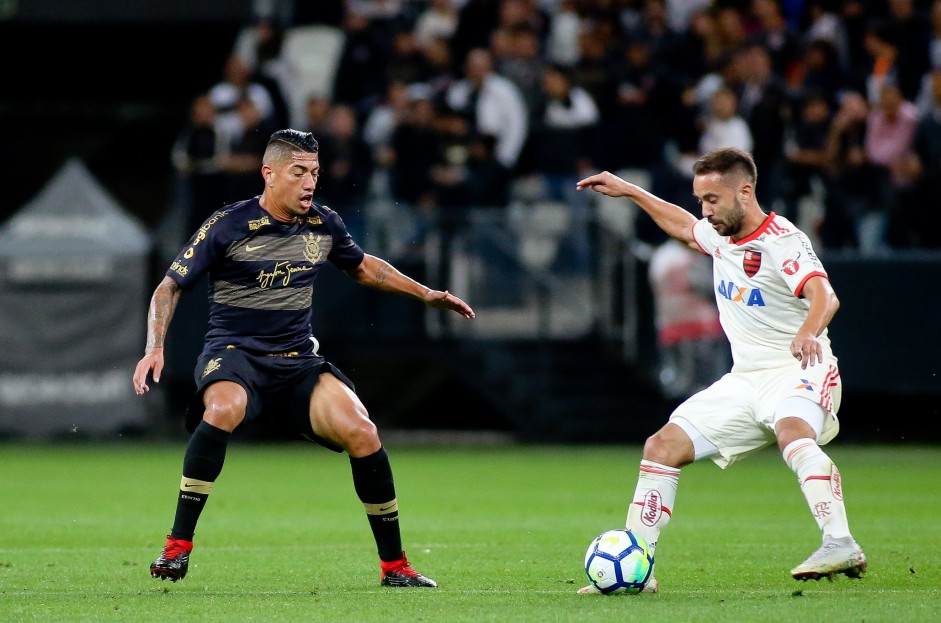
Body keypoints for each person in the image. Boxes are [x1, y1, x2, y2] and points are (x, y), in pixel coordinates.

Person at [133, 129, 475, 588]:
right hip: (236, 356)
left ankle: (395, 568)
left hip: (297, 362)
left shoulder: (323, 223)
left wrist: (426, 293)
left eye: (314, 172)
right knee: (222, 409)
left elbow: (363, 267)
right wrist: (155, 345)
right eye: (299, 172)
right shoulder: (228, 224)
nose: (310, 182)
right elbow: (169, 286)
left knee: (363, 431)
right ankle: (177, 548)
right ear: (269, 174)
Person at [574, 147, 867, 593]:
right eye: (700, 200)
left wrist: (809, 331)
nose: (705, 211)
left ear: (744, 192)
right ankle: (640, 570)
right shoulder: (721, 235)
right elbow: (684, 228)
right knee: (661, 446)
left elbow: (825, 296)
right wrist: (631, 191)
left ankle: (840, 541)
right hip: (745, 380)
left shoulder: (780, 239)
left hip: (799, 368)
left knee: (792, 432)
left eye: (713, 199)